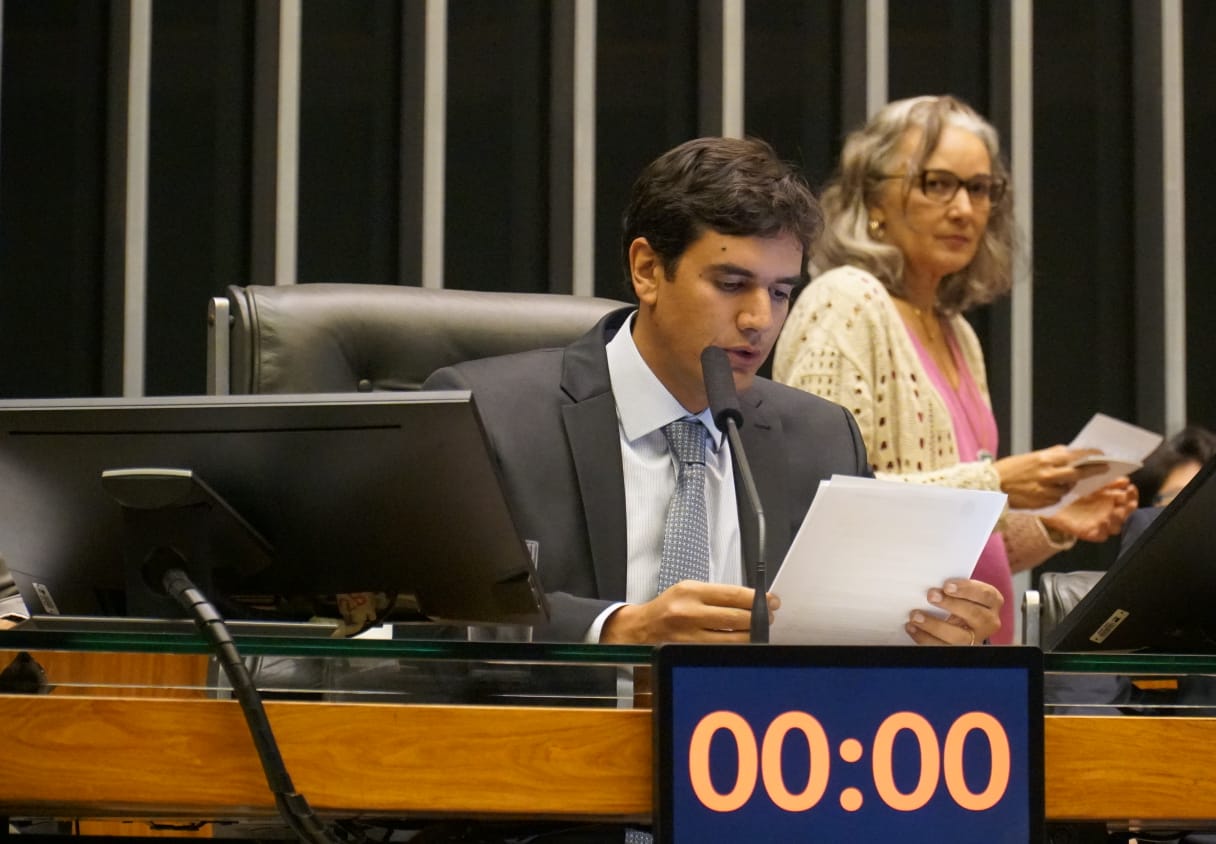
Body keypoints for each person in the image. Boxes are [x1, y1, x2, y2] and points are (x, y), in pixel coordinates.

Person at [426, 136, 1002, 648]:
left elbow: (845, 643)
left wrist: (934, 638)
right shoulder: (489, 416)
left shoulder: (822, 439)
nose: (759, 319)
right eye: (731, 285)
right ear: (648, 269)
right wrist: (619, 629)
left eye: (780, 293)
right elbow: (433, 612)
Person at [772, 95, 1135, 644]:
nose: (964, 209)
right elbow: (825, 502)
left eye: (980, 189)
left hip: (966, 648)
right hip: (879, 658)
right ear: (875, 196)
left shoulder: (956, 329)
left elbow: (954, 548)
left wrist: (1051, 523)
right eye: (937, 184)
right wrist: (998, 482)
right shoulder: (846, 301)